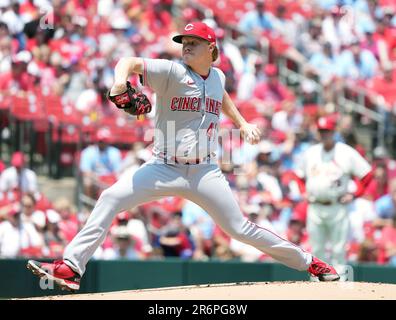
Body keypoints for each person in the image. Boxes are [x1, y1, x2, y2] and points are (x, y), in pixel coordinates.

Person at [27, 21, 339, 291]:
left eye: (193, 43)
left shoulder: (218, 77)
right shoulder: (172, 72)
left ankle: (309, 263)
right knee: (110, 198)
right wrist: (120, 82)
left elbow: (222, 95)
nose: (186, 47)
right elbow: (128, 60)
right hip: (163, 166)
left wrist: (241, 122)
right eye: (184, 42)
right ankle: (71, 267)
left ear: (211, 48)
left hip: (205, 171)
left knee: (239, 229)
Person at [296, 115, 373, 268]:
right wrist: (303, 191)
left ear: (334, 132)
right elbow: (299, 176)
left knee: (339, 250)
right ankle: (318, 285)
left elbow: (367, 174)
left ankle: (340, 287)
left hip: (337, 206)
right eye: (321, 131)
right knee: (317, 249)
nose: (324, 134)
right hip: (315, 206)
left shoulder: (346, 152)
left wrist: (354, 194)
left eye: (327, 131)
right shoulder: (311, 152)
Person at [79, 127, 122, 198]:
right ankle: (89, 205)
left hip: (110, 178)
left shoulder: (114, 152)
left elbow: (118, 171)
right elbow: (85, 171)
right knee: (87, 181)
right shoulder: (88, 152)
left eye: (104, 141)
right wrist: (97, 178)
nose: (102, 143)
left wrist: (109, 179)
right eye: (100, 141)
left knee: (121, 179)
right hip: (95, 178)